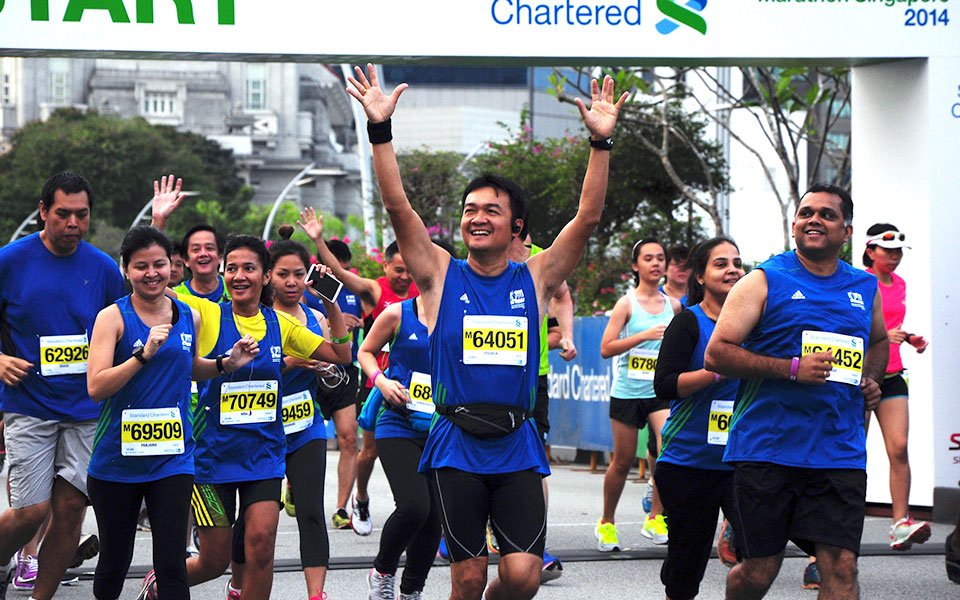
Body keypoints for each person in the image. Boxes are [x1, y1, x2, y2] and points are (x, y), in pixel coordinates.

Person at [346, 63, 627, 600]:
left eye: (491, 211)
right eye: (470, 209)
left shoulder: (537, 277)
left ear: (515, 226)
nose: (477, 217)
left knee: (522, 577)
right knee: (469, 576)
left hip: (517, 443)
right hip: (455, 444)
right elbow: (397, 205)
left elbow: (587, 217)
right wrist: (380, 129)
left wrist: (601, 142)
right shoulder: (439, 273)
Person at [136, 234, 350, 600]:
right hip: (211, 459)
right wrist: (156, 236)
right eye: (231, 268)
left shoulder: (280, 324)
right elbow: (157, 287)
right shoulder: (206, 314)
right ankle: (158, 586)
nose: (238, 276)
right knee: (214, 560)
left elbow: (341, 354)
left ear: (265, 276)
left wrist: (330, 301)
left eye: (249, 268)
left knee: (262, 546)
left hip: (263, 457)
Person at [704, 183, 887, 600]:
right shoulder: (764, 280)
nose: (814, 220)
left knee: (841, 567)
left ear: (847, 231)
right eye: (807, 213)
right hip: (767, 451)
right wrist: (791, 369)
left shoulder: (865, 287)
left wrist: (871, 379)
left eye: (827, 214)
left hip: (838, 452)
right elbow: (717, 354)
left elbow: (878, 341)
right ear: (794, 226)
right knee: (760, 571)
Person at [86, 226, 257, 600]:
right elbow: (96, 386)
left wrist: (226, 363)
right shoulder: (112, 318)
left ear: (172, 265)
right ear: (126, 270)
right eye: (141, 266)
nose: (152, 274)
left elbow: (190, 367)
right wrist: (142, 354)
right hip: (117, 462)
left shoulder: (188, 315)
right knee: (114, 561)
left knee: (172, 565)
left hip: (172, 460)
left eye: (159, 264)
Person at [0, 171, 126, 600]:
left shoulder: (103, 268)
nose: (73, 223)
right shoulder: (10, 261)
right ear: (43, 211)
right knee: (30, 512)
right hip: (29, 405)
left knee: (71, 509)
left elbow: (123, 328)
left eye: (82, 215)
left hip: (86, 409)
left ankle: (41, 597)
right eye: (63, 214)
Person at [299, 210, 419, 534]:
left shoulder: (424, 293)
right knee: (370, 451)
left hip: (416, 386)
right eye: (398, 270)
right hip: (376, 383)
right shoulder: (375, 291)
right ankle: (361, 496)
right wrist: (318, 240)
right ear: (386, 266)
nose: (404, 276)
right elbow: (338, 273)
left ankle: (419, 510)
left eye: (409, 270)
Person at [653, 236, 745, 600]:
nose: (732, 270)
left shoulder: (756, 325)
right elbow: (665, 385)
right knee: (686, 570)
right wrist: (716, 371)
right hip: (689, 462)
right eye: (721, 264)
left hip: (742, 461)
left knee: (759, 553)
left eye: (737, 263)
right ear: (701, 277)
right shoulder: (688, 322)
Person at [596, 239, 681, 550]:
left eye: (660, 258)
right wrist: (643, 335)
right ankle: (606, 522)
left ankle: (655, 517)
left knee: (666, 447)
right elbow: (606, 348)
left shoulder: (674, 306)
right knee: (622, 461)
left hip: (659, 392)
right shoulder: (626, 304)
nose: (656, 263)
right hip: (628, 392)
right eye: (648, 258)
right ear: (636, 266)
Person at [359, 294, 442, 600]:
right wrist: (381, 381)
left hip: (440, 428)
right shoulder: (398, 313)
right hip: (398, 423)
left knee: (434, 520)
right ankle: (382, 572)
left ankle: (411, 591)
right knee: (415, 506)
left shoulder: (460, 313)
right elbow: (365, 351)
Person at [862, 223, 931, 550]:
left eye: (898, 251)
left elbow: (892, 325)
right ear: (870, 251)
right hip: (862, 376)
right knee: (852, 451)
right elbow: (849, 327)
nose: (894, 257)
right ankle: (836, 523)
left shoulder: (900, 283)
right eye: (887, 251)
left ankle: (900, 524)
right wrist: (881, 337)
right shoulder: (860, 282)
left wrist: (909, 337)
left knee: (899, 447)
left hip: (892, 374)